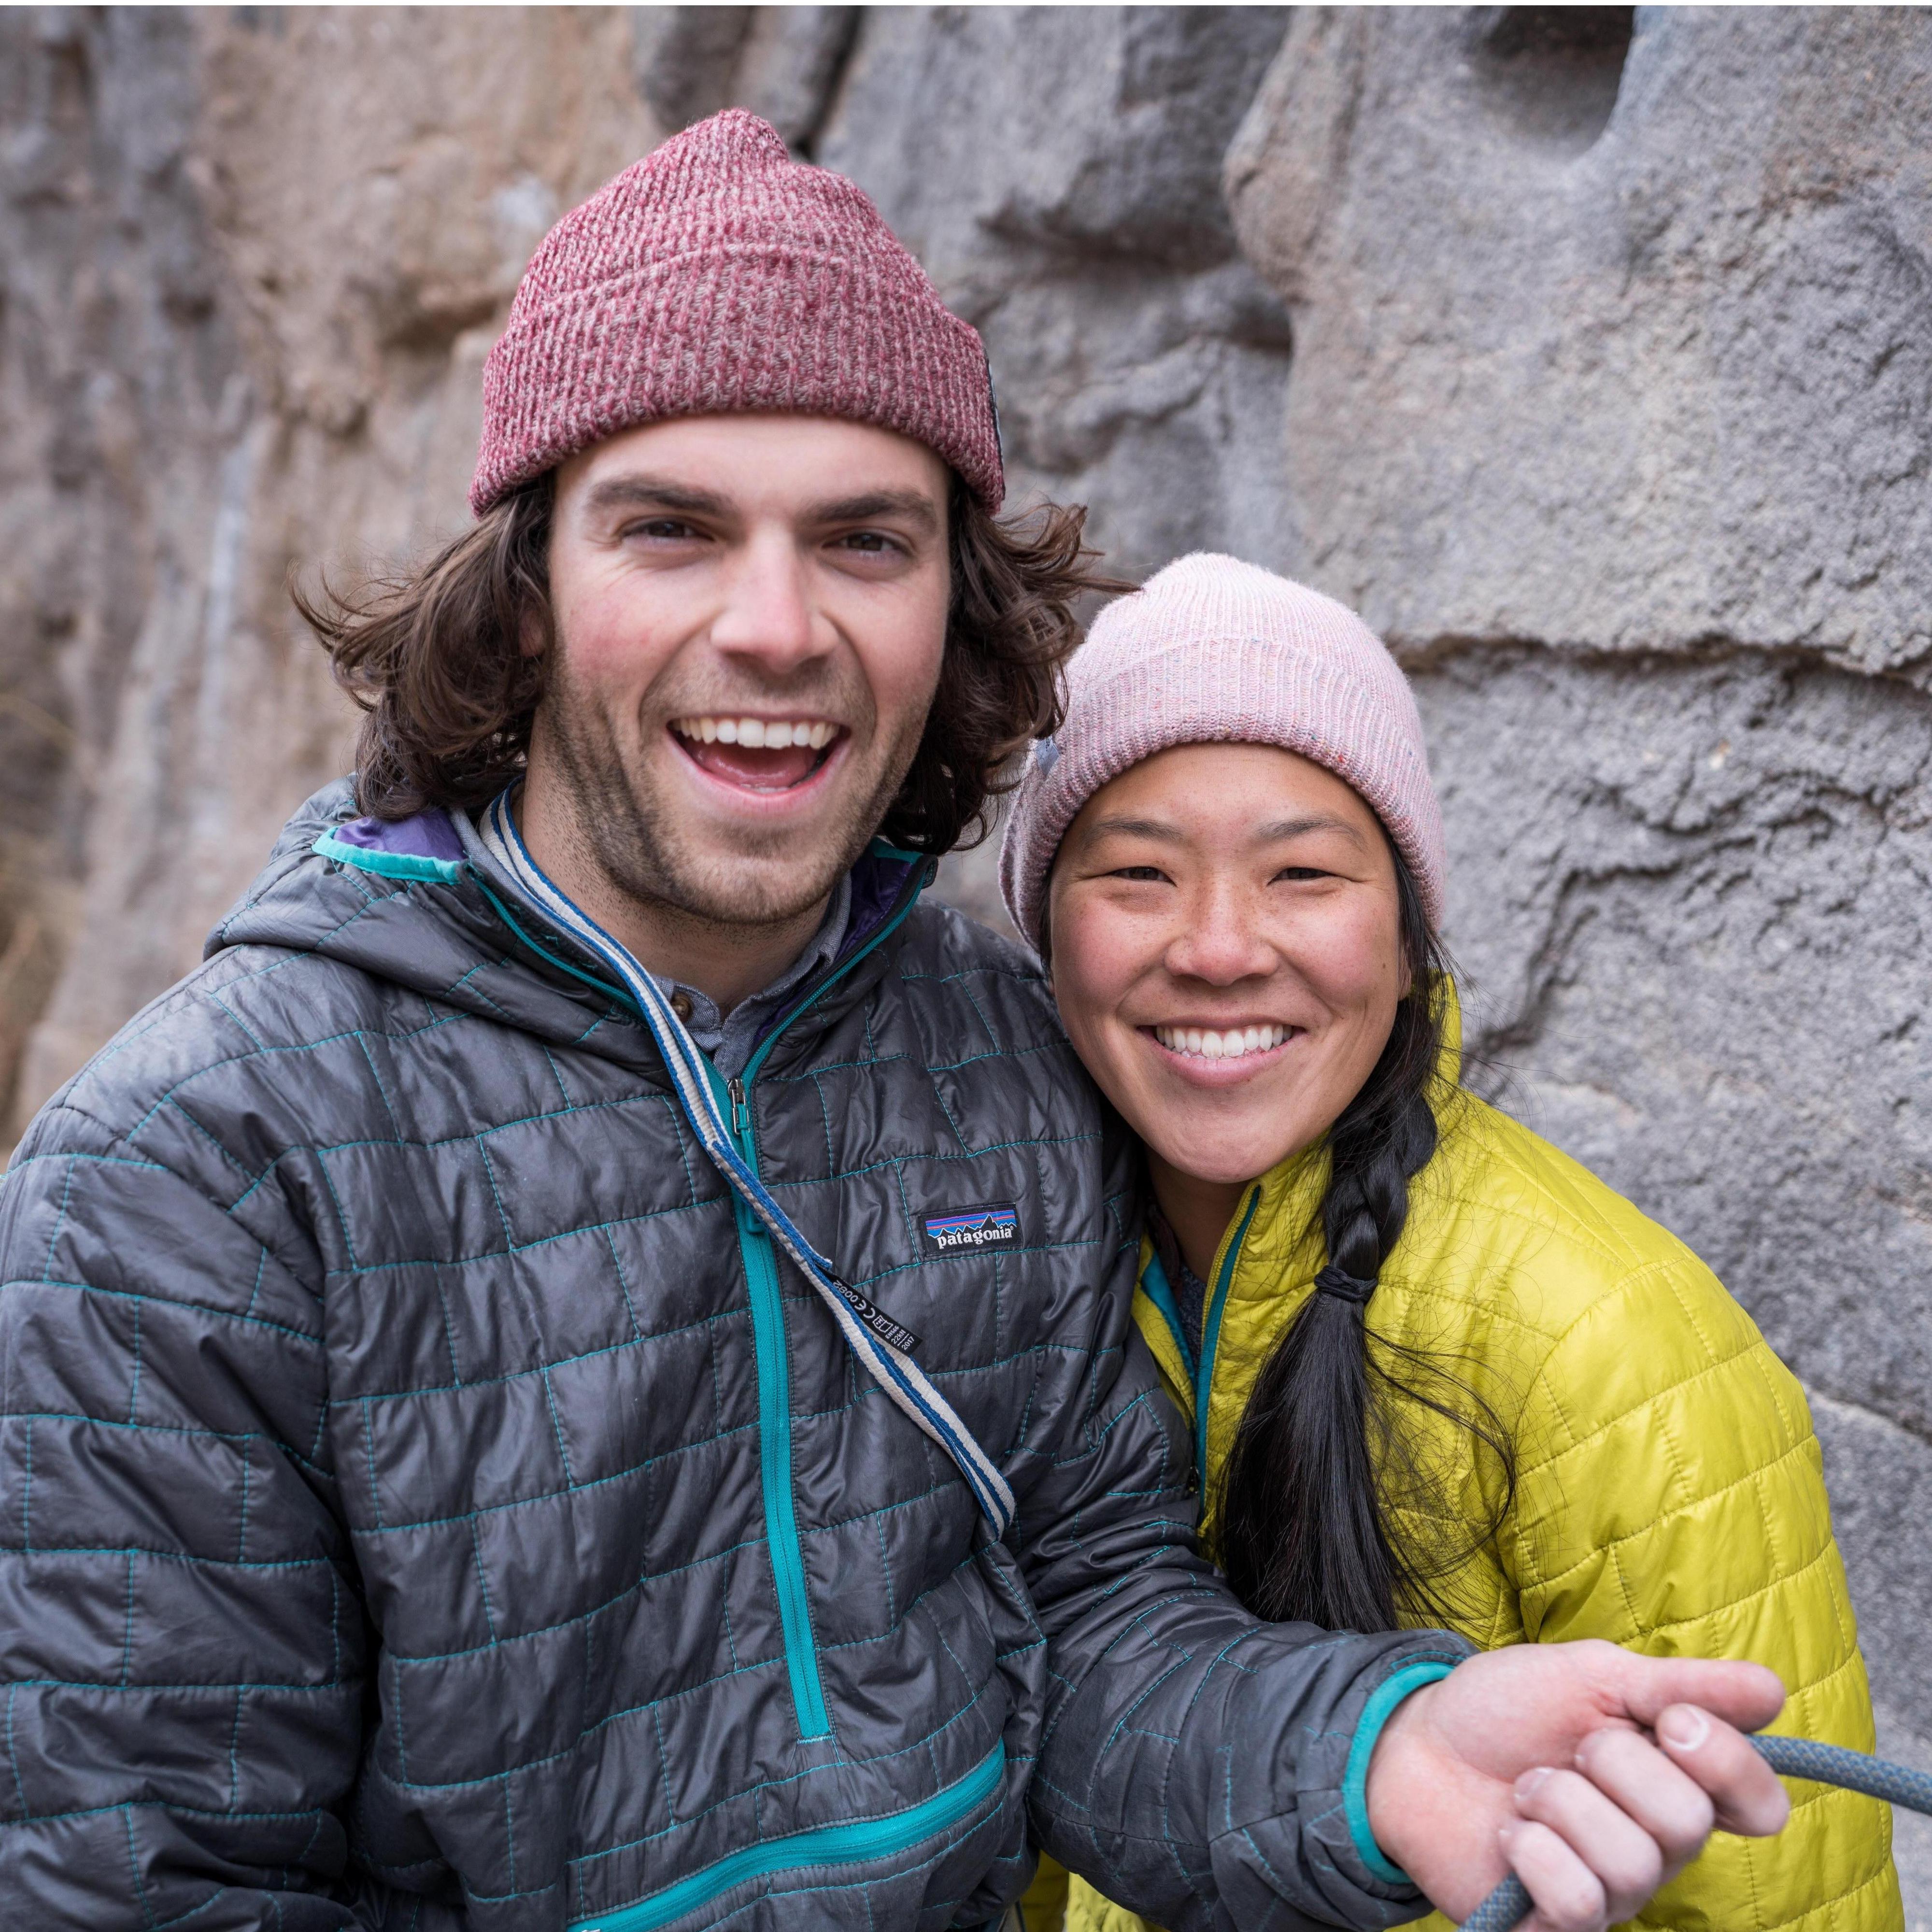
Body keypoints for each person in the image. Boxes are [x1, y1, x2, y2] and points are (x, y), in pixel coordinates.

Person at [0, 116, 1791, 1932]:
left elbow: (1089, 1630)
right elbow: (143, 1887)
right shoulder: (191, 1177)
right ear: (529, 597)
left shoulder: (1000, 1054)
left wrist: (1368, 1754)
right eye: (674, 529)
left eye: (867, 539)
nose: (777, 627)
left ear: (955, 605)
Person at [996, 554, 1903, 1932]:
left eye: (1302, 873)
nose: (1222, 947)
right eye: (1137, 873)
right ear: (1042, 928)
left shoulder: (1606, 1343)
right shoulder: (1000, 1268)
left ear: (1408, 933)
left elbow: (1783, 1895)